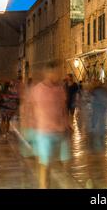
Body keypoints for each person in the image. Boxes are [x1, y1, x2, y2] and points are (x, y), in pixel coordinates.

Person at [31, 61, 71, 189]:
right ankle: (44, 187)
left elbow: (63, 108)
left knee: (63, 163)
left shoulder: (60, 89)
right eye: (57, 72)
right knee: (45, 164)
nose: (58, 75)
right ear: (49, 73)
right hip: (44, 132)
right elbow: (31, 108)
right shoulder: (38, 89)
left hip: (60, 131)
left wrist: (67, 124)